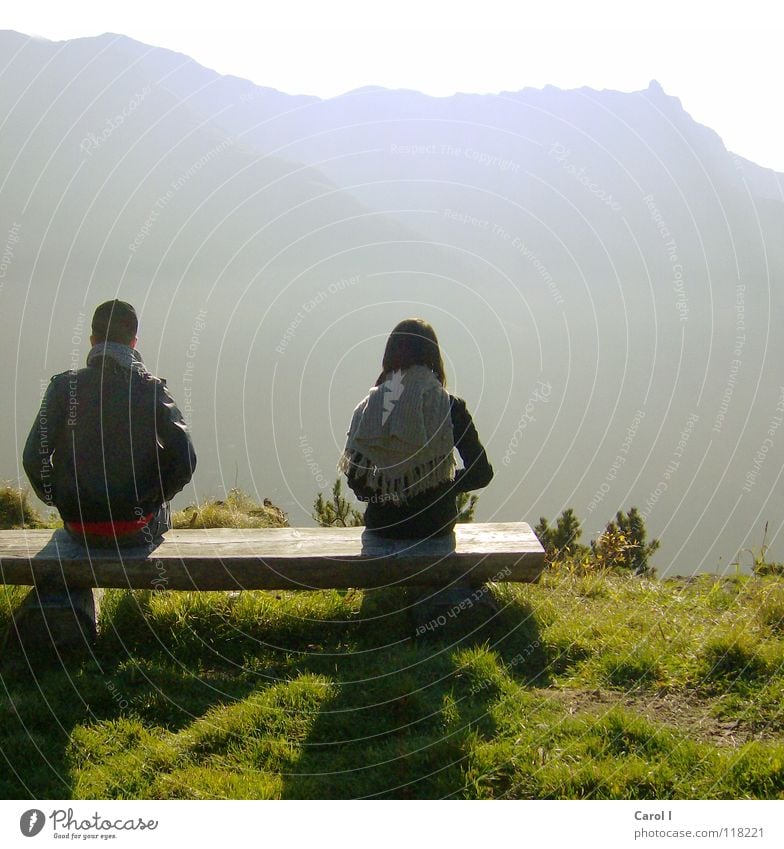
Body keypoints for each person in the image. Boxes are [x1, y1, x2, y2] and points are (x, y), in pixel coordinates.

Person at [23, 300, 196, 548]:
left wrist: (61, 499)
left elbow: (33, 458)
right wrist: (155, 498)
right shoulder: (151, 389)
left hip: (80, 526)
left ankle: (69, 586)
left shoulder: (63, 388)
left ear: (93, 341)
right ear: (133, 342)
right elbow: (185, 459)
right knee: (163, 515)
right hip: (137, 527)